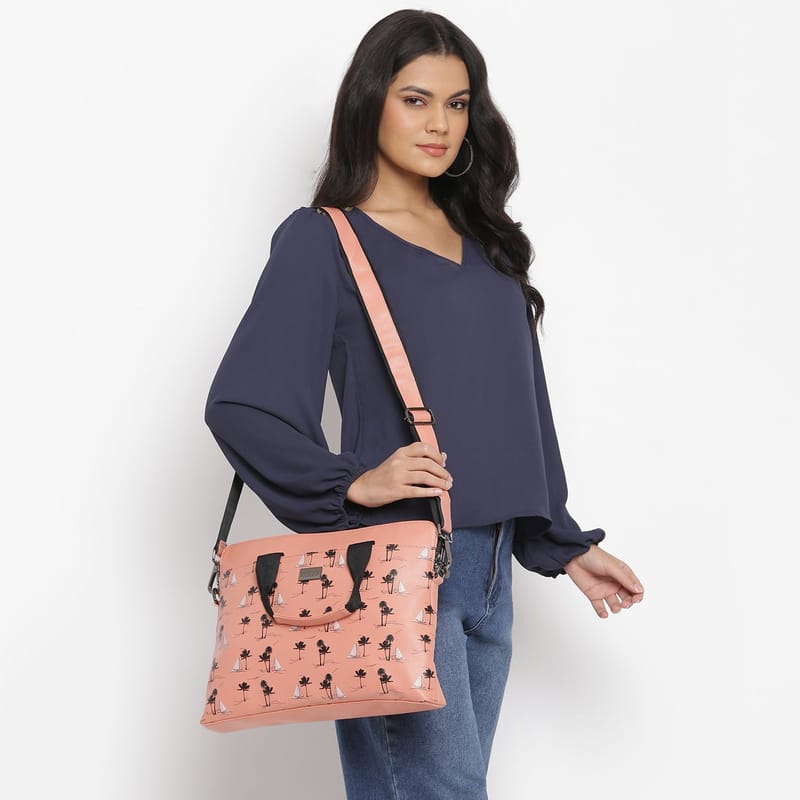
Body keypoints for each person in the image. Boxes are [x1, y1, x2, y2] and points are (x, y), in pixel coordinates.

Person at [204, 9, 644, 799]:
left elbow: (515, 403)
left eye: (457, 103)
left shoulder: (486, 242)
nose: (440, 123)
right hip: (395, 559)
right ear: (369, 102)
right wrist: (351, 481)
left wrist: (561, 539)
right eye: (415, 100)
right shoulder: (325, 239)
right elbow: (242, 403)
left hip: (489, 568)